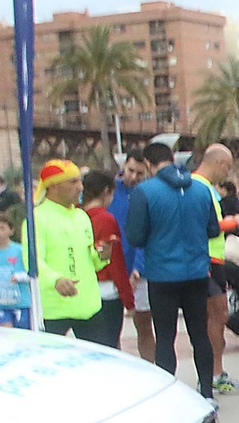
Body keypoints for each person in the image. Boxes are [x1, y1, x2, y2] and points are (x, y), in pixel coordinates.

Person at [128, 141, 220, 398]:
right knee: (199, 333)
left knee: (165, 336)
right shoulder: (202, 190)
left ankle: (168, 391)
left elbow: (135, 236)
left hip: (162, 273)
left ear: (148, 163)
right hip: (196, 272)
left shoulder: (145, 191)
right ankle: (207, 392)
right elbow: (213, 229)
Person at [192, 145, 239, 397]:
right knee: (216, 316)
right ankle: (214, 374)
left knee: (218, 316)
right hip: (208, 259)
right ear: (219, 163)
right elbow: (209, 224)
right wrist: (235, 222)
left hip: (215, 259)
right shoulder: (201, 187)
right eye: (227, 167)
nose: (227, 173)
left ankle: (215, 372)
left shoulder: (206, 188)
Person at [33, 160, 108, 341]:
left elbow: (91, 261)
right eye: (72, 182)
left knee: (96, 363)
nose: (80, 187)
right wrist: (55, 279)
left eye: (79, 181)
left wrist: (102, 256)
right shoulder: (37, 218)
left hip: (88, 306)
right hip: (54, 309)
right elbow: (33, 259)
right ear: (54, 186)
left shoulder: (82, 216)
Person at [110, 149, 156, 361]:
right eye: (130, 171)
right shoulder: (110, 191)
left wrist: (137, 267)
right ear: (123, 166)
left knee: (144, 325)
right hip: (112, 267)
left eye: (139, 173)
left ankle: (152, 370)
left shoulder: (148, 193)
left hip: (141, 269)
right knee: (111, 329)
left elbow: (148, 233)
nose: (134, 177)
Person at [82, 171, 133, 349]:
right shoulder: (106, 219)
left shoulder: (77, 217)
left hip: (84, 288)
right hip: (107, 290)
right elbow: (115, 262)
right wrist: (128, 298)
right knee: (110, 344)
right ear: (106, 191)